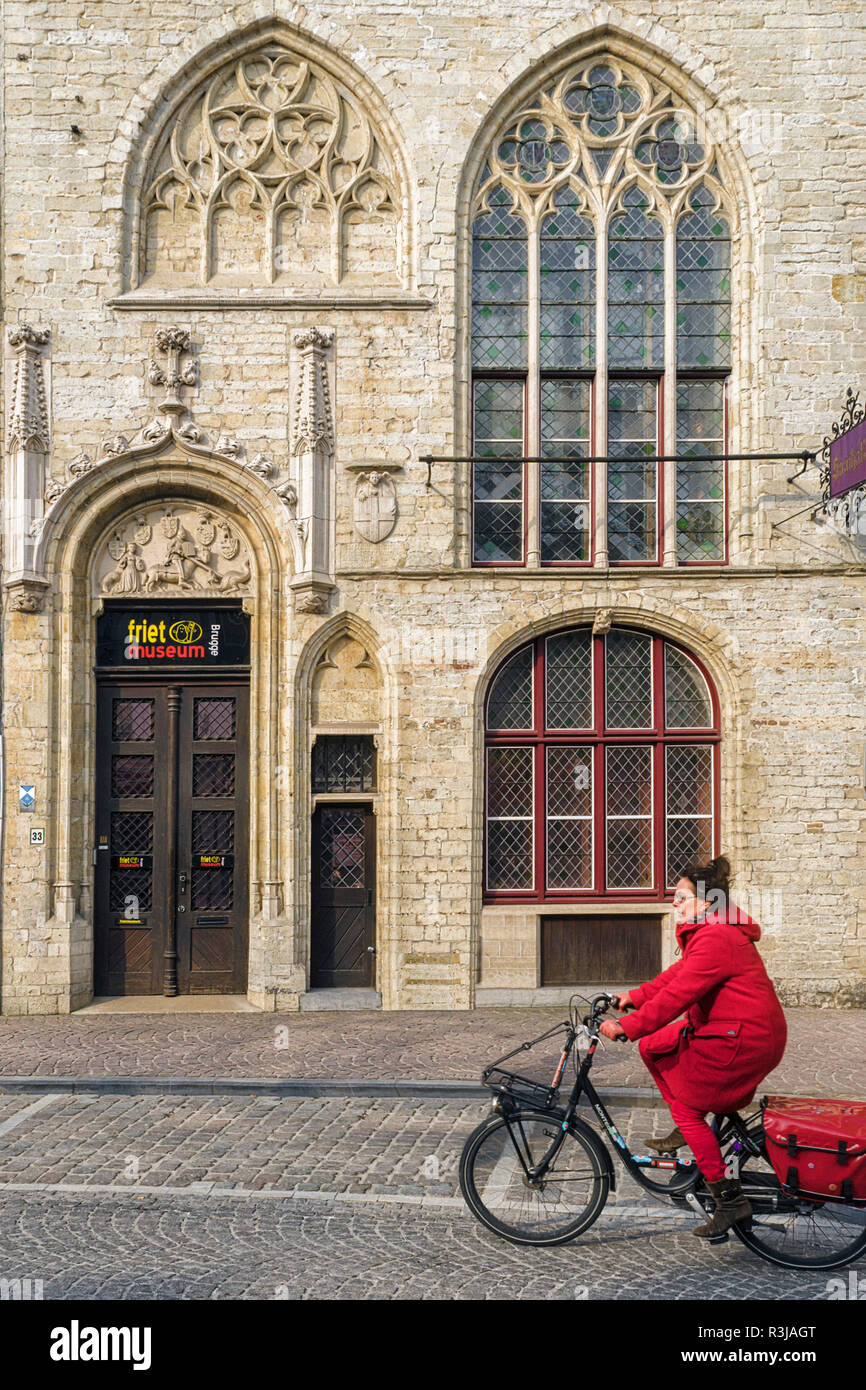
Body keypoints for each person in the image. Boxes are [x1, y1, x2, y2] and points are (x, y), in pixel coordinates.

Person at [598, 855, 787, 1238]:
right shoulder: (711, 932)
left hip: (744, 1040)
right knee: (652, 1047)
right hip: (729, 1030)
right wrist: (632, 996)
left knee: (686, 1109)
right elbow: (676, 977)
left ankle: (729, 1202)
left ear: (707, 902)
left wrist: (626, 1026)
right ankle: (691, 1130)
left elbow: (678, 997)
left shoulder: (717, 937)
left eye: (681, 897)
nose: (674, 903)